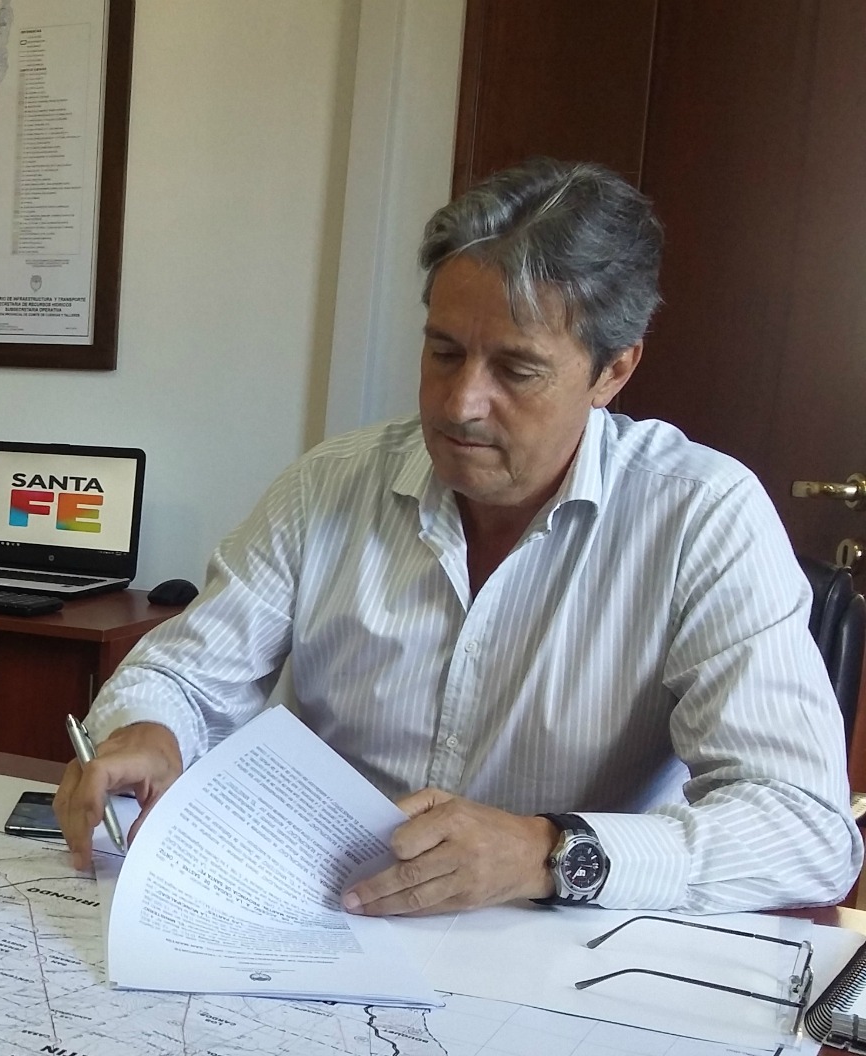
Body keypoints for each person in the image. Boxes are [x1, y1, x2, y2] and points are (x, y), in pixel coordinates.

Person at [58, 158, 863, 915]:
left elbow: (805, 831)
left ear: (614, 371)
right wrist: (149, 733)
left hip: (561, 949)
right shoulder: (329, 485)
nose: (460, 404)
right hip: (333, 914)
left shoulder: (701, 517)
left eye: (516, 370)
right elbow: (184, 677)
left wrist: (546, 852)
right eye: (444, 352)